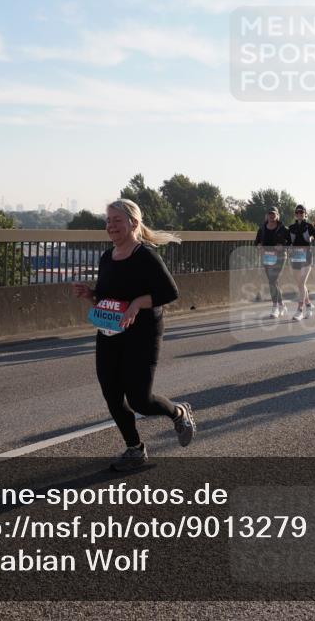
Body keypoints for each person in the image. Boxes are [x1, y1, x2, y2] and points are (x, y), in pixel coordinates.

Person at [73, 199, 196, 471]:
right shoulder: (107, 258)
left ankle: (178, 412)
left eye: (117, 220)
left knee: (140, 399)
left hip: (143, 334)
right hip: (110, 332)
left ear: (134, 223)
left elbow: (170, 293)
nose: (111, 226)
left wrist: (138, 303)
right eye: (108, 221)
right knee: (112, 393)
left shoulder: (146, 256)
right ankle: (135, 448)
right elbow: (105, 298)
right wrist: (90, 295)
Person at [288, 205, 315, 321]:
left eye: (301, 212)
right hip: (295, 258)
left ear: (305, 214)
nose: (299, 214)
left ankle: (299, 310)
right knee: (300, 284)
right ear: (295, 214)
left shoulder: (309, 226)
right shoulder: (291, 227)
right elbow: (287, 242)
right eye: (297, 212)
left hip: (307, 257)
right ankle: (309, 306)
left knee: (301, 283)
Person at [255, 207, 290, 318]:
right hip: (267, 257)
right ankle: (282, 305)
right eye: (270, 214)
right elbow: (256, 242)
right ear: (267, 216)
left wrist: (282, 246)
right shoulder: (262, 229)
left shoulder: (283, 229)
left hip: (280, 257)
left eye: (273, 214)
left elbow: (290, 242)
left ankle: (275, 307)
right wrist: (259, 246)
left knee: (273, 280)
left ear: (277, 215)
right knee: (273, 282)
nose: (271, 216)